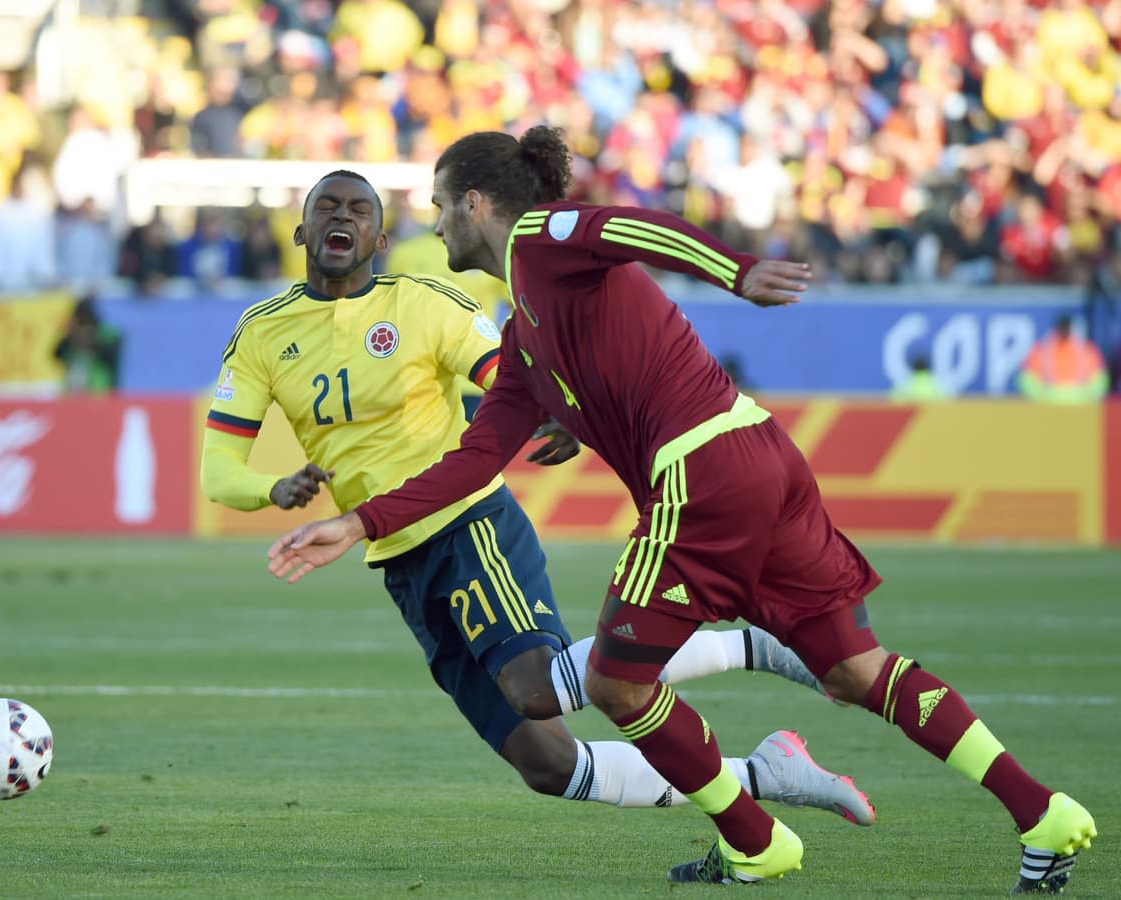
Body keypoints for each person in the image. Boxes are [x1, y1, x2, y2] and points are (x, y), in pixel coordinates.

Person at [267, 130, 1097, 892]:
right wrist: (359, 520)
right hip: (758, 459)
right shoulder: (522, 335)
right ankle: (1043, 813)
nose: (434, 223)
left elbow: (633, 227)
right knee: (857, 671)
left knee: (613, 685)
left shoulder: (542, 239)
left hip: (701, 472)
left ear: (474, 203)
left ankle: (754, 838)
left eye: (439, 204)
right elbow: (478, 456)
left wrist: (736, 273)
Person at [202, 170, 876, 826]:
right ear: (300, 229)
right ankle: (766, 773)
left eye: (358, 209)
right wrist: (273, 487)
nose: (341, 217)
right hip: (397, 560)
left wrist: (554, 408)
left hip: (467, 527)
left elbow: (508, 373)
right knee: (548, 765)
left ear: (381, 240)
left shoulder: (427, 304)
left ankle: (755, 646)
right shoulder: (262, 332)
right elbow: (219, 470)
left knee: (538, 683)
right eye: (326, 207)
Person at [1018, 315, 1110, 402]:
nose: (1064, 331)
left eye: (1066, 328)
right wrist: (1041, 397)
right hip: (1049, 404)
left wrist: (1089, 397)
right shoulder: (1042, 349)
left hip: (1080, 403)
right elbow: (1027, 377)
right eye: (1063, 328)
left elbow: (1100, 378)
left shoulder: (1087, 349)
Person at [53, 296, 122, 394]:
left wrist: (92, 342)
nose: (84, 327)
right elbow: (56, 355)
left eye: (86, 322)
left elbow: (113, 360)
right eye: (81, 322)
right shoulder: (71, 336)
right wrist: (69, 337)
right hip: (72, 390)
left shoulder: (107, 334)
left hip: (98, 390)